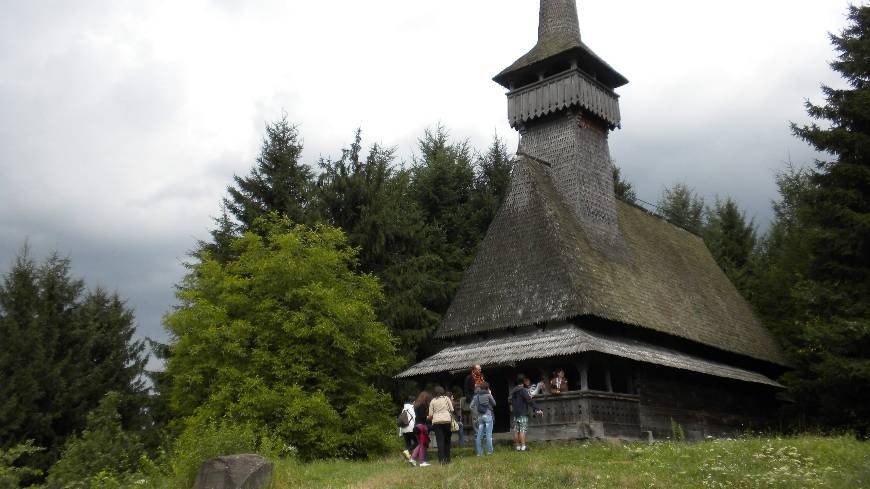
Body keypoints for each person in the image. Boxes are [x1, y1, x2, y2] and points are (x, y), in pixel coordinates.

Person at [510, 374, 543, 451]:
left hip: (516, 413)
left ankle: (518, 447)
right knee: (522, 430)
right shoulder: (523, 390)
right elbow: (529, 400)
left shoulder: (514, 390)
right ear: (523, 381)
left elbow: (512, 402)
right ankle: (523, 447)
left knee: (516, 430)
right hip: (522, 413)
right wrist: (537, 408)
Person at [428, 385, 454, 465]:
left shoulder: (432, 401)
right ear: (442, 391)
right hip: (447, 421)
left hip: (437, 422)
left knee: (440, 441)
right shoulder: (447, 399)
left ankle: (441, 460)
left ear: (434, 393)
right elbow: (452, 409)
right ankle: (448, 459)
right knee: (447, 441)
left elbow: (430, 414)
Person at [469, 381, 496, 456]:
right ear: (487, 388)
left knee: (479, 435)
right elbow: (494, 403)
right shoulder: (488, 395)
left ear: (480, 388)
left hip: (480, 417)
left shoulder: (476, 396)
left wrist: (477, 412)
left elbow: (471, 406)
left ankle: (479, 453)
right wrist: (490, 394)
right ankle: (490, 452)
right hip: (487, 415)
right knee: (488, 434)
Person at [412, 391, 432, 467]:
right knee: (423, 444)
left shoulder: (416, 405)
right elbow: (423, 417)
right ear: (425, 398)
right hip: (421, 426)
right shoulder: (423, 405)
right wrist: (429, 417)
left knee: (420, 444)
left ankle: (413, 459)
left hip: (416, 426)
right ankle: (421, 461)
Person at [398, 395, 417, 463]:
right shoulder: (412, 409)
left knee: (408, 444)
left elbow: (401, 420)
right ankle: (407, 452)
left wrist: (400, 432)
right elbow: (414, 419)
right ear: (414, 402)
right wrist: (416, 427)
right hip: (410, 429)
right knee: (417, 442)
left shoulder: (404, 409)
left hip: (404, 429)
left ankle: (406, 460)